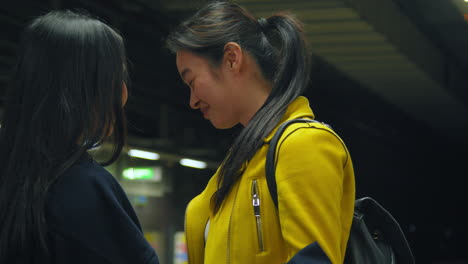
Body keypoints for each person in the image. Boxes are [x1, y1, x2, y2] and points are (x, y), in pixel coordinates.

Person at [166, 1, 355, 264]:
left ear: (232, 59)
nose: (192, 101)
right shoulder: (243, 159)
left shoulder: (304, 144)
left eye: (192, 81)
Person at [0, 10, 159, 264]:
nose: (124, 93)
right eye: (116, 77)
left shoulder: (13, 177)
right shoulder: (84, 188)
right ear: (82, 88)